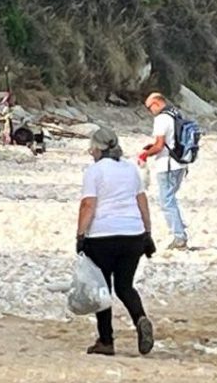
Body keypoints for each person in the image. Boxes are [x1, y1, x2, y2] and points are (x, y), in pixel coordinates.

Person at [77, 127, 156, 356]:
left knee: (103, 289)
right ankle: (140, 318)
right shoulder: (130, 169)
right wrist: (147, 233)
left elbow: (88, 205)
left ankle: (106, 341)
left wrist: (80, 235)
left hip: (102, 236)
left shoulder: (94, 171)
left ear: (98, 148)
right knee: (125, 285)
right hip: (133, 235)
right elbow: (142, 201)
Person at [139, 92, 189, 250]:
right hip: (181, 163)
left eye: (149, 108)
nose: (149, 111)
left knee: (166, 201)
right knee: (171, 199)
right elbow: (169, 142)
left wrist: (145, 154)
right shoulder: (175, 113)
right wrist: (152, 147)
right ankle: (179, 228)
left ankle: (179, 237)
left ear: (156, 103)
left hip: (167, 165)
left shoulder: (161, 119)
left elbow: (160, 145)